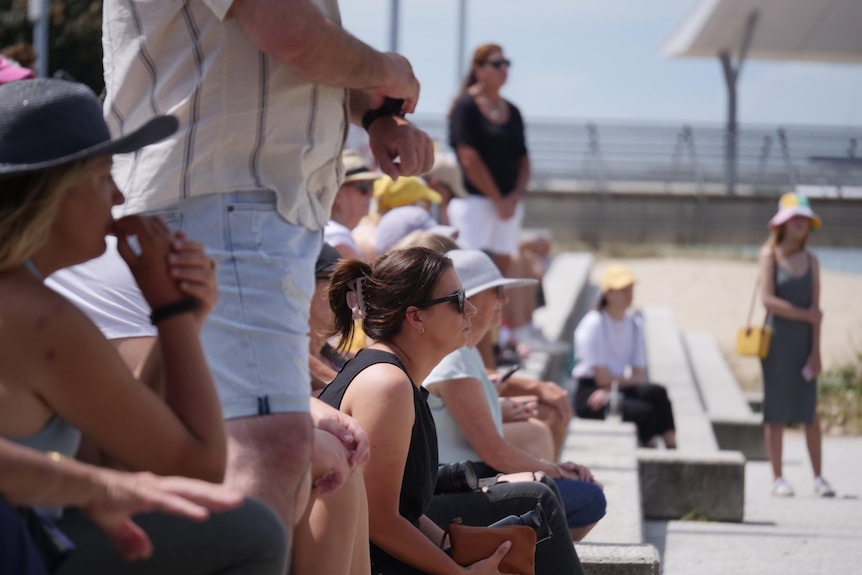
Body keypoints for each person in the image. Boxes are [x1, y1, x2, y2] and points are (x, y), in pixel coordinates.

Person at [54, 0, 434, 557]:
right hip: (226, 201)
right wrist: (386, 72)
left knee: (259, 453)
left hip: (234, 204)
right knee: (265, 450)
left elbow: (269, 59)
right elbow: (289, 34)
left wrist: (371, 110)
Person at [0, 78, 287, 574]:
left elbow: (117, 459)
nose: (118, 196)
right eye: (102, 176)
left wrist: (182, 318)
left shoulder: (30, 303)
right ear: (53, 194)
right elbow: (198, 471)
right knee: (248, 531)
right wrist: (172, 315)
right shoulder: (41, 319)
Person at [318, 247, 513, 575]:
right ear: (416, 317)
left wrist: (459, 555)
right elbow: (379, 521)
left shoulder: (397, 379)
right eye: (459, 299)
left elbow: (402, 511)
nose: (473, 310)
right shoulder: (386, 385)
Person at [424, 250, 606, 543]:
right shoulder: (456, 357)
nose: (504, 300)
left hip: (464, 476)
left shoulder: (463, 353)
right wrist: (556, 470)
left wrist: (554, 472)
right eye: (497, 291)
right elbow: (493, 451)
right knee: (588, 498)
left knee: (584, 497)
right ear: (467, 298)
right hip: (454, 484)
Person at [0, 438, 265, 574]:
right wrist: (96, 487)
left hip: (43, 530)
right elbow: (200, 466)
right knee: (252, 531)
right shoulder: (40, 334)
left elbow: (104, 455)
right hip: (29, 536)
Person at [759, 193, 835, 498]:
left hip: (805, 343)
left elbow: (818, 312)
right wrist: (806, 314)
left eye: (804, 218)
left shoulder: (813, 261)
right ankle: (778, 477)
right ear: (783, 223)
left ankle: (819, 477)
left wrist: (816, 352)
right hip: (776, 343)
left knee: (810, 411)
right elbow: (768, 300)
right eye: (794, 218)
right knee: (775, 411)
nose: (800, 223)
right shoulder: (770, 255)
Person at [572, 265, 677, 449]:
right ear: (608, 294)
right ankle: (651, 451)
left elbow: (638, 375)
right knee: (644, 413)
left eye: (630, 289)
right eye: (622, 290)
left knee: (658, 394)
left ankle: (672, 447)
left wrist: (612, 389)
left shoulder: (634, 325)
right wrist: (612, 386)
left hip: (614, 387)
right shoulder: (593, 324)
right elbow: (601, 378)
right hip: (590, 394)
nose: (629, 295)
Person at [447, 43, 529, 275]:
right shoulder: (465, 107)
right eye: (496, 64)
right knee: (467, 269)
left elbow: (523, 158)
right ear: (478, 70)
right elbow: (469, 159)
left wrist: (516, 195)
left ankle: (492, 312)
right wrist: (497, 199)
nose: (503, 69)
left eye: (506, 64)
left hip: (508, 204)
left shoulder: (513, 111)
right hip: (474, 201)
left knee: (501, 268)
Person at [324, 150, 380, 260]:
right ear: (337, 193)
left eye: (371, 186)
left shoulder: (333, 232)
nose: (371, 194)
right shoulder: (337, 237)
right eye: (363, 186)